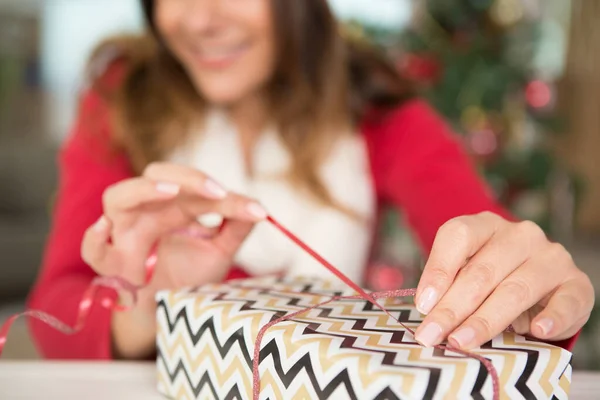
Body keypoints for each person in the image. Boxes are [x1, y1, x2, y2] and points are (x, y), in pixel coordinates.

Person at [27, 0, 594, 361]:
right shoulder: (121, 95)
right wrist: (148, 303)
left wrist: (528, 292)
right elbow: (54, 313)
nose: (197, 19)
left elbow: (489, 246)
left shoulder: (379, 107)